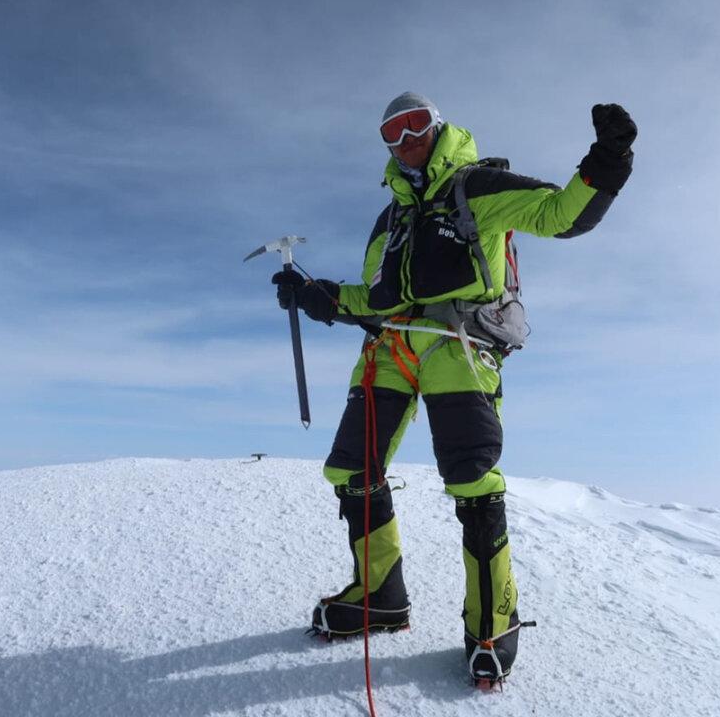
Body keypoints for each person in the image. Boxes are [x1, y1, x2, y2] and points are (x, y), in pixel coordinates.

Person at [272, 91, 636, 684]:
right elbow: (377, 298)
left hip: (458, 345)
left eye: (415, 124)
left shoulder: (478, 187)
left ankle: (493, 623)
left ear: (438, 127)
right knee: (351, 469)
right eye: (391, 131)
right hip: (390, 347)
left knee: (471, 480)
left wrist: (609, 158)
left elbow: (561, 215)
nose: (404, 139)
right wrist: (317, 295)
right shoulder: (389, 220)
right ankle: (380, 598)